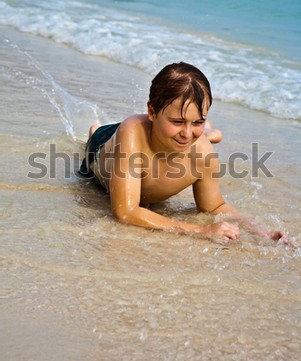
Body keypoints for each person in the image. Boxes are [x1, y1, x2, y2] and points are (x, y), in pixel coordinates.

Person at [79, 62, 289, 244]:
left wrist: (261, 231)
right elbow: (126, 211)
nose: (187, 134)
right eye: (177, 121)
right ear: (152, 112)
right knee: (98, 132)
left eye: (197, 122)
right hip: (101, 148)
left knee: (199, 139)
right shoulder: (132, 132)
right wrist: (200, 231)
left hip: (160, 135)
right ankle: (96, 129)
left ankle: (207, 131)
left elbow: (214, 205)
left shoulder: (202, 153)